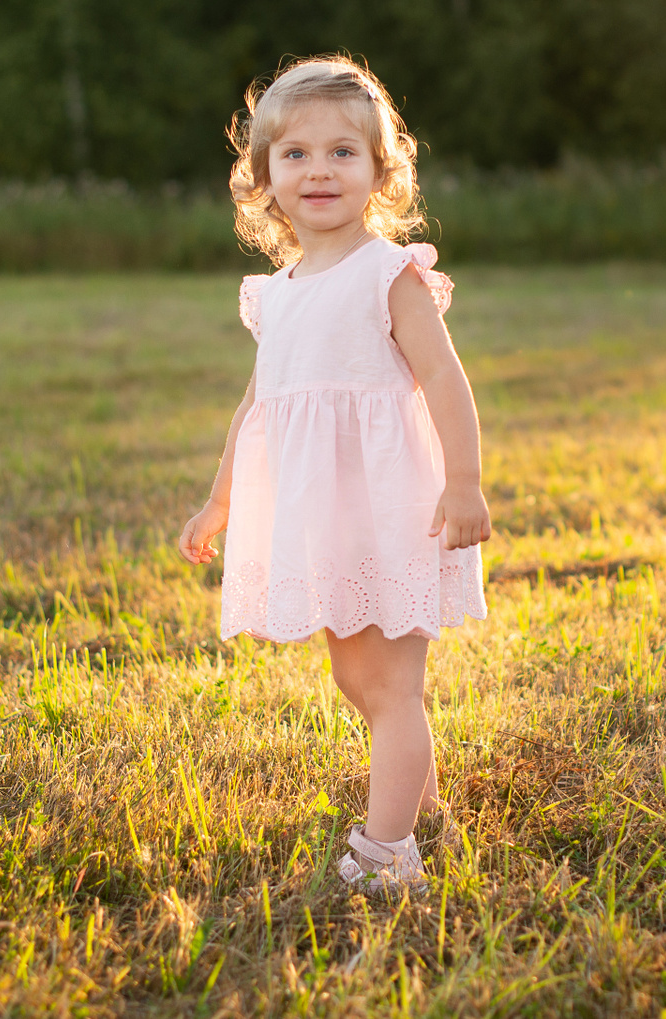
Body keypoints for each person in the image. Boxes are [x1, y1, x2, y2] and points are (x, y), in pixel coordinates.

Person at [176, 56, 490, 897]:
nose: (319, 170)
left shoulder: (389, 274)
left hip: (389, 507)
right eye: (297, 154)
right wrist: (219, 499)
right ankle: (422, 809)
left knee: (388, 686)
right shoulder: (276, 292)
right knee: (359, 678)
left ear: (381, 172)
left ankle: (390, 851)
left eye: (343, 152)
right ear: (265, 178)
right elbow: (259, 406)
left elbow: (445, 378)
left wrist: (465, 481)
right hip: (325, 515)